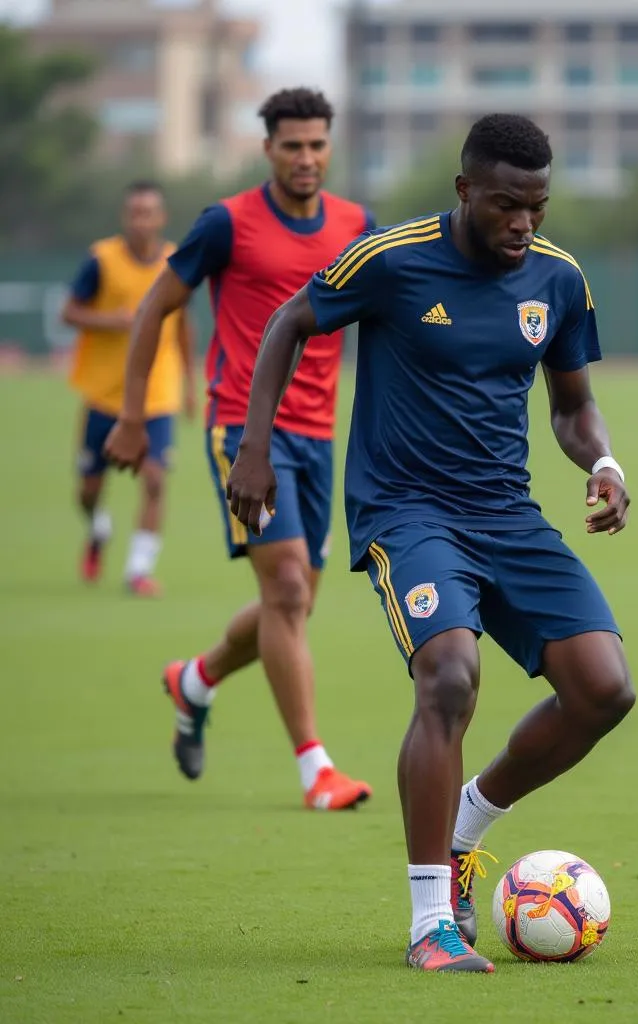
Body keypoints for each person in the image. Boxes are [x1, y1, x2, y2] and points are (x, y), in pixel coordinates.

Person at [226, 113, 636, 972]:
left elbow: (569, 405)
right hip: (407, 513)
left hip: (508, 515)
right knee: (449, 674)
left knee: (604, 691)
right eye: (505, 206)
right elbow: (288, 326)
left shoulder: (558, 280)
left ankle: (465, 829)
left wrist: (602, 460)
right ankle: (429, 924)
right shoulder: (392, 259)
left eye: (538, 207)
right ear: (464, 192)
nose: (524, 224)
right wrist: (253, 449)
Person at [103, 88, 373, 811]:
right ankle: (316, 768)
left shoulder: (356, 225)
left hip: (320, 437)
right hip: (244, 433)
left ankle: (194, 679)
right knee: (285, 592)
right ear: (268, 150)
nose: (307, 158)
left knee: (292, 606)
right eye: (293, 146)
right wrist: (132, 417)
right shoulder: (227, 223)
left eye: (317, 144)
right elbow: (155, 308)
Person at [63, 180, 195, 596]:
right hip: (104, 395)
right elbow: (69, 311)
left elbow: (183, 325)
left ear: (162, 218)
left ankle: (138, 571)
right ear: (126, 217)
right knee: (88, 490)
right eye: (134, 212)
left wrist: (191, 383)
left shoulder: (176, 263)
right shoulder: (101, 260)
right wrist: (112, 321)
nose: (141, 220)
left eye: (149, 212)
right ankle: (99, 528)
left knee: (154, 479)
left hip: (157, 395)